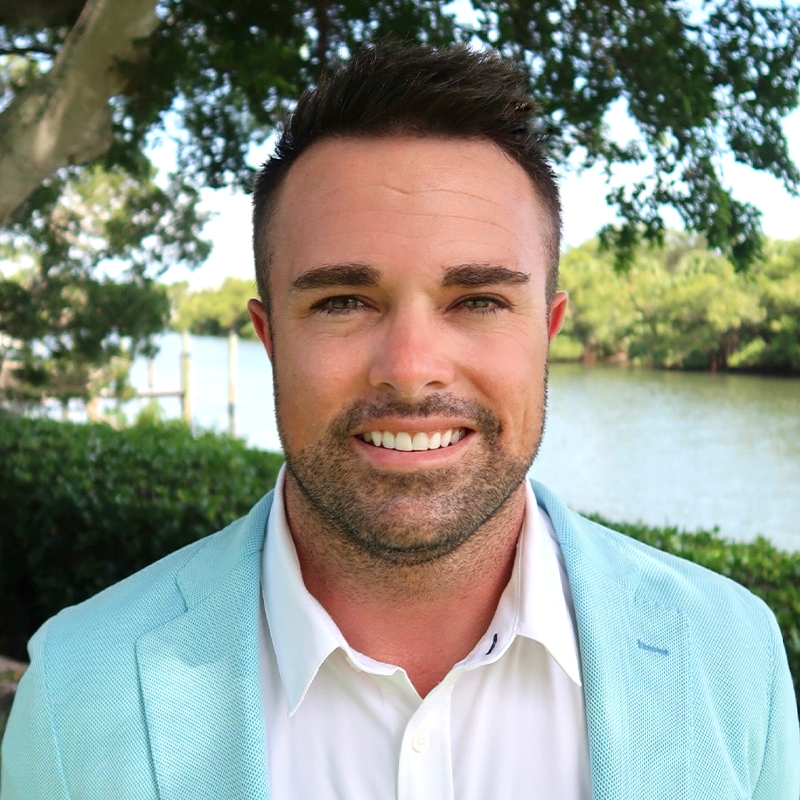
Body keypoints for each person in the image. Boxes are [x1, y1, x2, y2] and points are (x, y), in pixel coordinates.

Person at [2, 41, 798, 800]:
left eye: (479, 300)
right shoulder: (78, 690)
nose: (411, 367)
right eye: (343, 301)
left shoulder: (732, 655)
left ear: (547, 331)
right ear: (269, 336)